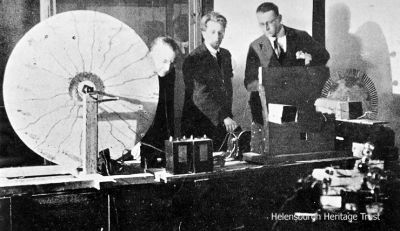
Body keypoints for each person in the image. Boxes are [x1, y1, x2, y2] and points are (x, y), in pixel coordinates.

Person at [244, 2, 330, 125]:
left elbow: (324, 56)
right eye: (262, 24)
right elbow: (248, 82)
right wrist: (267, 84)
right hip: (269, 109)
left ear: (279, 19)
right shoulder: (256, 46)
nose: (266, 28)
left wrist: (309, 61)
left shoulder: (301, 36)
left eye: (270, 22)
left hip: (299, 104)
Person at [181, 12, 238, 150]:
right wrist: (224, 117)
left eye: (221, 32)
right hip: (200, 124)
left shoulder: (225, 55)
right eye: (213, 32)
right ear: (203, 33)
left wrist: (227, 116)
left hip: (222, 123)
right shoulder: (194, 58)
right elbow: (200, 96)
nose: (218, 37)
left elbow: (227, 88)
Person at [140, 36, 180, 168]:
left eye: (172, 62)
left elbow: (167, 114)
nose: (168, 67)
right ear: (151, 56)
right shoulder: (139, 77)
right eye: (164, 61)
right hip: (137, 144)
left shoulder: (169, 74)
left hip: (160, 143)